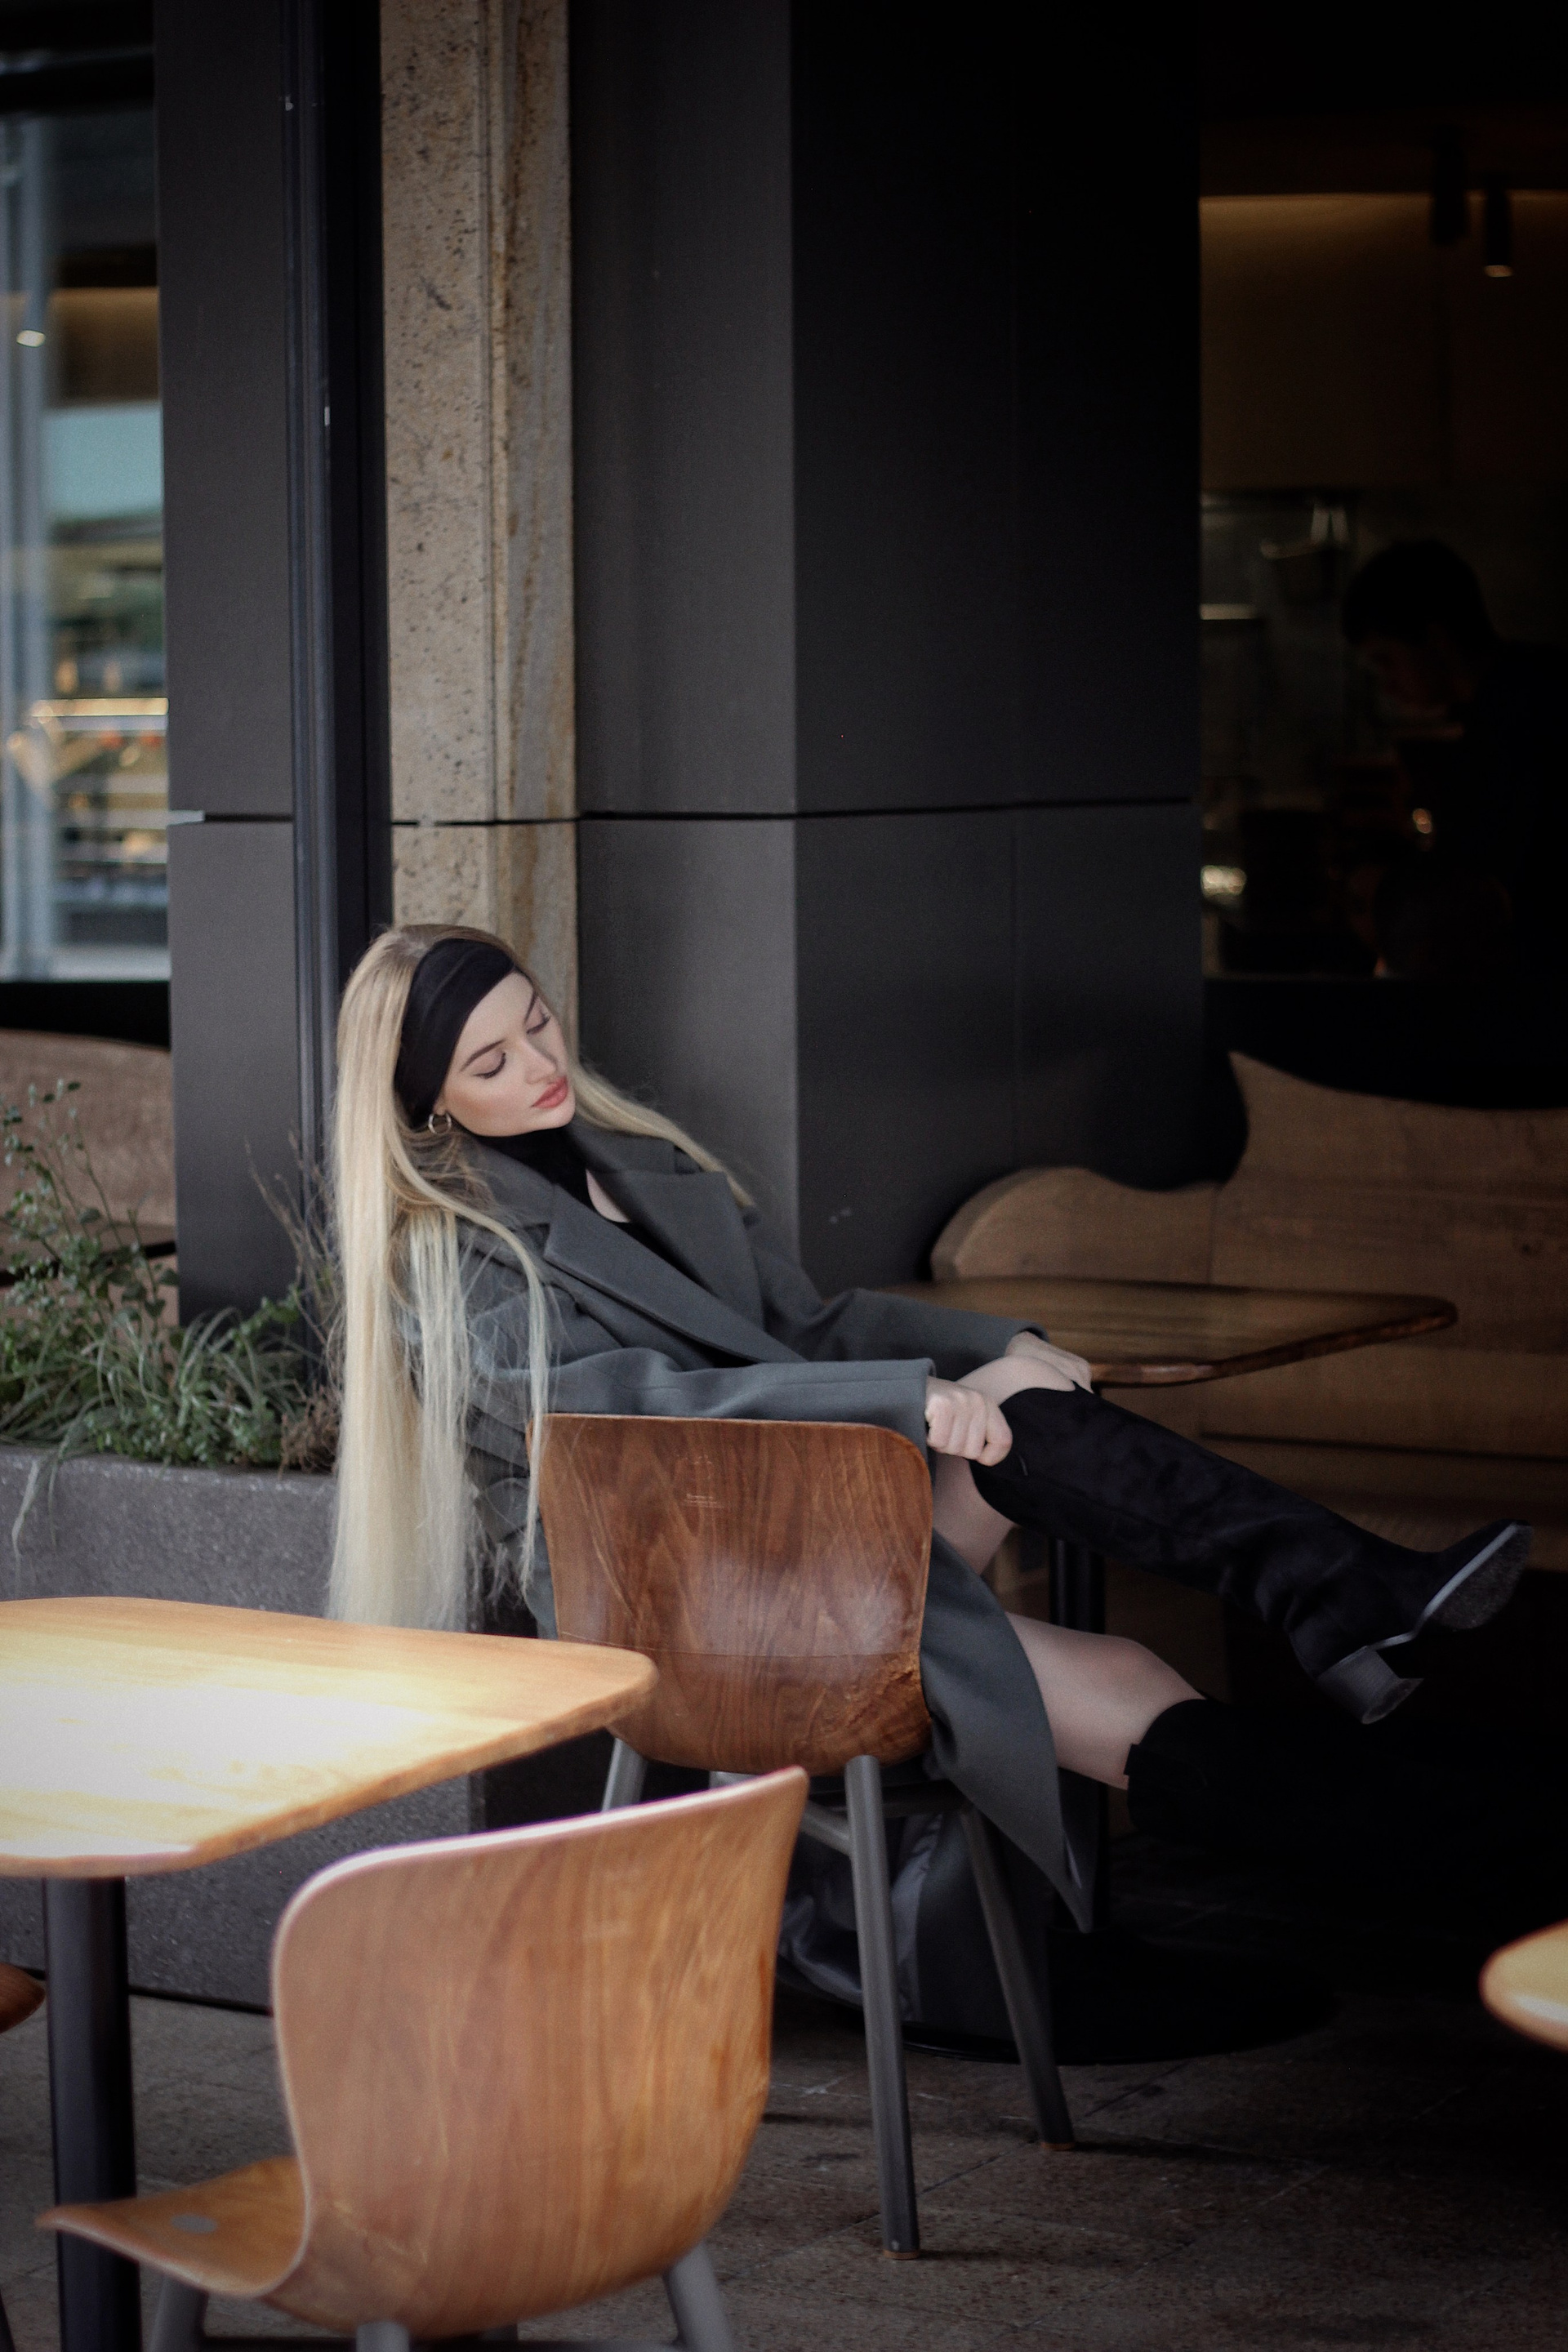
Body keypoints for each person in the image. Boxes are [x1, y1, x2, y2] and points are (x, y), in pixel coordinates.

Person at [328, 923, 1547, 1977]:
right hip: (690, 1594)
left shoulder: (631, 1163)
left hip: (808, 1525)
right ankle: (1484, 1817)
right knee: (1120, 1685)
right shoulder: (446, 1260)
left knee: (1033, 1440)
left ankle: (1352, 1613)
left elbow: (805, 1327)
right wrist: (914, 1400)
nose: (542, 1065)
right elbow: (646, 1414)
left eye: (538, 1023)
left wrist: (994, 1347)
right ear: (429, 1101)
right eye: (492, 1062)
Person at [1343, 541, 1568, 978]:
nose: (1388, 685)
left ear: (1436, 639)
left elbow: (1506, 878)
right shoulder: (1503, 704)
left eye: (1388, 661)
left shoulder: (1524, 716)